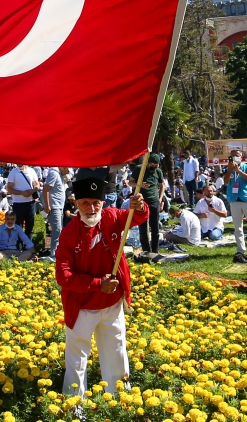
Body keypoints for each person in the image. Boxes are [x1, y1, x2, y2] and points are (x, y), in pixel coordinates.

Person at [55, 167, 148, 397]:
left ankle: (119, 402)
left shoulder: (112, 217)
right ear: (76, 204)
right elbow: (63, 276)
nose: (91, 208)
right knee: (77, 359)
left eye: (96, 202)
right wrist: (97, 284)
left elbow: (138, 217)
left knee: (116, 353)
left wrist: (140, 205)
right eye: (85, 203)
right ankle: (74, 407)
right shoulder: (69, 233)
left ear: (103, 202)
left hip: (111, 304)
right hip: (81, 307)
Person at [223, 149, 247, 263]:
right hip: (234, 199)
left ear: (241, 157)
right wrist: (230, 170)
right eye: (232, 156)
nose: (234, 157)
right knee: (237, 227)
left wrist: (238, 170)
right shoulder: (227, 168)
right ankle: (241, 249)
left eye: (237, 156)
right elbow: (226, 182)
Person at [137, 155, 166, 257]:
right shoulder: (139, 169)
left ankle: (155, 251)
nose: (154, 167)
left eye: (156, 165)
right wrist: (140, 185)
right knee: (143, 227)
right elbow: (130, 182)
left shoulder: (158, 171)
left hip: (154, 201)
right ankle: (146, 251)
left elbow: (162, 185)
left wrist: (160, 198)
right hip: (142, 201)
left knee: (155, 228)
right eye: (152, 165)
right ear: (148, 162)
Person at [5, 163, 40, 239]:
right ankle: (19, 246)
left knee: (30, 226)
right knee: (18, 226)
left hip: (30, 202)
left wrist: (32, 190)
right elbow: (9, 189)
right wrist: (22, 193)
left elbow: (37, 184)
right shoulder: (13, 172)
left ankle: (29, 246)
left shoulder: (31, 171)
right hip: (18, 203)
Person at [42, 166, 67, 258]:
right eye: (67, 168)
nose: (67, 171)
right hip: (54, 206)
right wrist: (47, 205)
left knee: (58, 230)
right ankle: (54, 254)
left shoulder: (58, 174)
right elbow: (45, 189)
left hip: (59, 206)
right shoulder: (54, 173)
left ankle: (56, 252)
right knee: (56, 230)